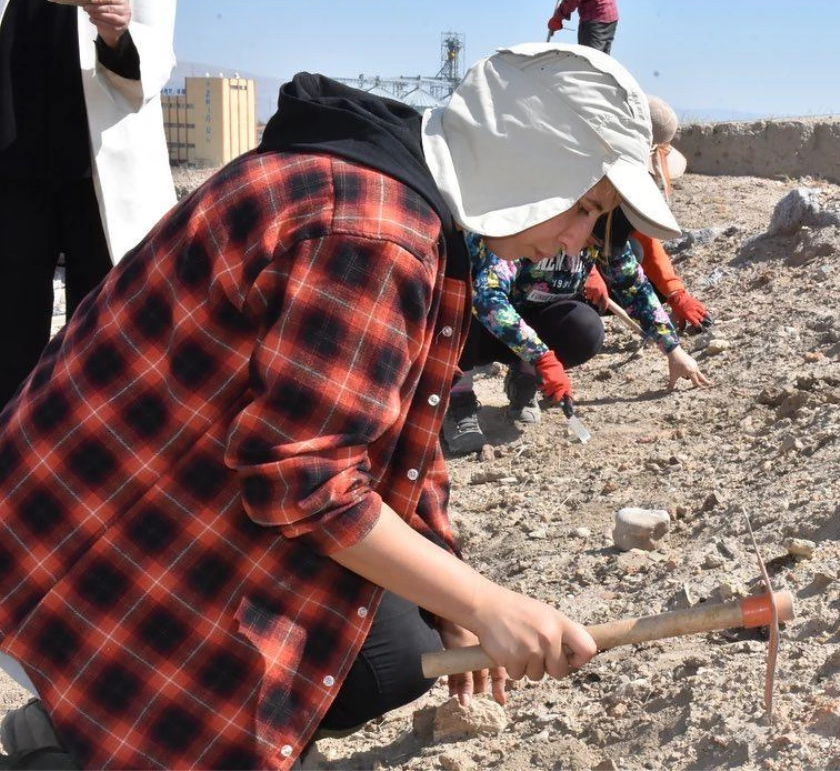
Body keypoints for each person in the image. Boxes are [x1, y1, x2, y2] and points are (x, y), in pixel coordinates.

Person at [0, 43, 680, 770]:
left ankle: (85, 719)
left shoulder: (398, 194)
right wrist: (488, 605)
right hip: (100, 525)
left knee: (392, 651)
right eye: (584, 206)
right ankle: (84, 736)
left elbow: (402, 437)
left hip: (151, 481)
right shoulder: (376, 234)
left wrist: (450, 591)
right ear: (529, 156)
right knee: (340, 650)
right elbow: (302, 481)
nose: (576, 239)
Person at [0, 0, 178, 404]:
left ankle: (89, 463)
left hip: (101, 170)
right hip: (10, 163)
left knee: (104, 332)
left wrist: (118, 33)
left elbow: (156, 54)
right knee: (8, 328)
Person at [441, 206, 709, 456]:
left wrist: (673, 349)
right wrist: (543, 357)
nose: (589, 250)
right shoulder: (527, 227)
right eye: (591, 243)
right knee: (465, 303)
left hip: (531, 319)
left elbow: (635, 288)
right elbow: (488, 300)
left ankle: (523, 378)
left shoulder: (601, 235)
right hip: (477, 326)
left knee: (584, 328)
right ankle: (458, 398)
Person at [584, 95, 714, 332]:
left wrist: (676, 294)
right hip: (544, 268)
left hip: (595, 262)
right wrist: (585, 272)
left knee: (639, 261)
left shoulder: (626, 193)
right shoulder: (581, 176)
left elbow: (647, 239)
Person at [547, 0, 618, 55]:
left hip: (594, 19)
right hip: (610, 14)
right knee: (602, 64)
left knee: (588, 64)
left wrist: (558, 17)